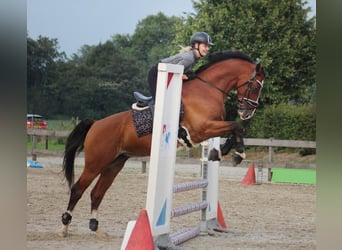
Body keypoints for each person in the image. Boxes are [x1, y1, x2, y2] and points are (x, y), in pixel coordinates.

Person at [147, 32, 214, 101]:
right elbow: (174, 74)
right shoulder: (190, 58)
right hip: (156, 74)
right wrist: (186, 76)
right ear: (197, 45)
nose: (208, 48)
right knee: (160, 102)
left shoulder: (194, 57)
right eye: (205, 46)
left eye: (208, 46)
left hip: (163, 73)